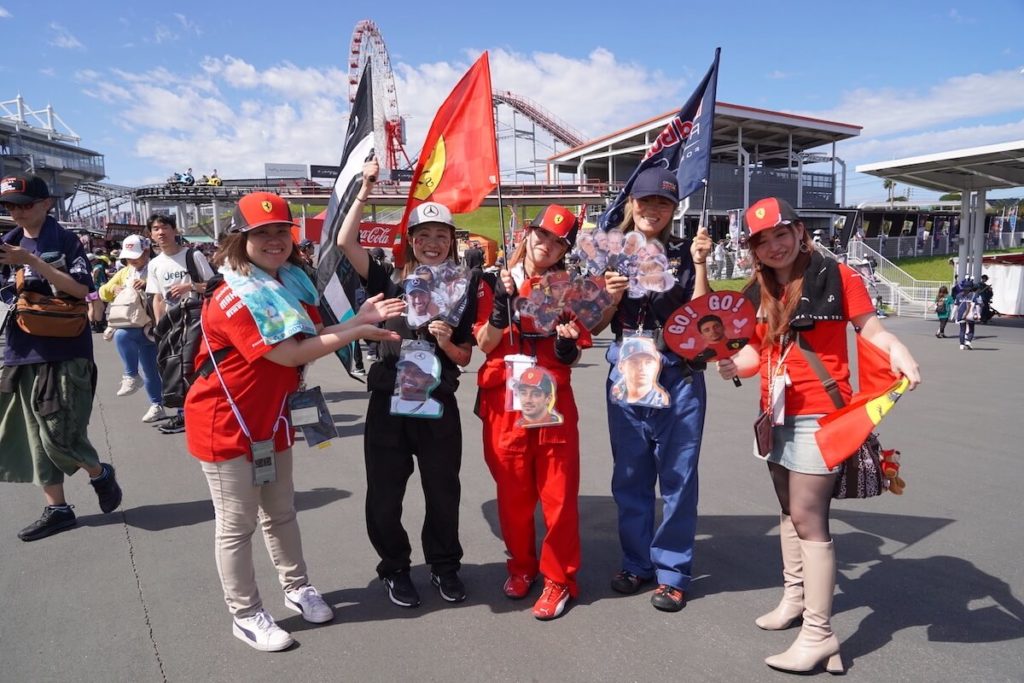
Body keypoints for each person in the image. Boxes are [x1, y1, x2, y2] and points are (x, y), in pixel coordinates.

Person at [184, 191, 403, 651]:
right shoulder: (237, 296)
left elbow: (313, 334)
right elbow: (289, 353)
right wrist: (359, 330)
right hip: (227, 423)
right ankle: (245, 614)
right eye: (261, 233)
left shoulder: (286, 283)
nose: (273, 240)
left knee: (281, 512)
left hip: (274, 418)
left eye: (280, 231)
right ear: (239, 239)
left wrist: (355, 318)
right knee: (236, 523)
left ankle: (296, 587)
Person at [716, 196, 920, 675]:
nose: (775, 245)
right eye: (762, 240)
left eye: (781, 233)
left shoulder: (838, 275)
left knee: (809, 518)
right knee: (788, 511)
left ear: (800, 231)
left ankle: (820, 634)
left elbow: (871, 329)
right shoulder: (756, 291)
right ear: (752, 248)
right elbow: (753, 355)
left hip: (819, 415)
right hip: (774, 413)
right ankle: (794, 598)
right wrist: (730, 367)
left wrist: (898, 349)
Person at [336, 157, 477, 608]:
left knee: (442, 489)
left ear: (452, 243)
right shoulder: (388, 280)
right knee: (385, 492)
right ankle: (394, 568)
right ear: (411, 242)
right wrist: (365, 189)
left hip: (438, 399)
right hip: (388, 398)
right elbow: (344, 240)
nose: (433, 243)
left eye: (442, 235)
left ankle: (444, 565)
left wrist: (446, 340)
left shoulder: (464, 286)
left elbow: (465, 354)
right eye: (424, 236)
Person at [592, 166, 713, 612]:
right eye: (646, 201)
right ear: (632, 205)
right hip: (626, 372)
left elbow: (704, 318)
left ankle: (673, 572)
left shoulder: (687, 252)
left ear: (673, 209)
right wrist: (611, 297)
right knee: (630, 476)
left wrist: (700, 265)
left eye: (663, 203)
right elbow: (595, 323)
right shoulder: (611, 253)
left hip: (677, 374)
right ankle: (635, 562)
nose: (653, 210)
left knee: (679, 479)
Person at [474, 204, 590, 620]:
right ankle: (521, 567)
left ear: (565, 248)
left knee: (558, 497)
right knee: (513, 496)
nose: (547, 245)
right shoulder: (491, 281)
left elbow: (576, 350)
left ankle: (559, 579)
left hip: (552, 400)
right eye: (542, 234)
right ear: (527, 233)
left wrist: (565, 346)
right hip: (504, 403)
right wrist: (501, 309)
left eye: (559, 241)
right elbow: (484, 345)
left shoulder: (569, 288)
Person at [0, 173, 123, 541]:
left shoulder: (66, 240)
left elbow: (82, 289)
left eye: (23, 204)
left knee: (59, 431)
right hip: (19, 349)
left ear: (46, 203)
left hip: (65, 348)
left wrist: (30, 262)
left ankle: (99, 473)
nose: (16, 212)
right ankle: (58, 508)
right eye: (9, 206)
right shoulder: (6, 243)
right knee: (33, 434)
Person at [146, 213, 215, 434]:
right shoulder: (154, 264)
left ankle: (197, 414)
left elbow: (213, 286)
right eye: (156, 229)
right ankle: (184, 414)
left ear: (175, 230)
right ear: (150, 235)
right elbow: (156, 297)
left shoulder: (193, 256)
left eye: (165, 227)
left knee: (195, 367)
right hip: (171, 324)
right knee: (174, 368)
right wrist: (160, 328)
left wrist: (190, 287)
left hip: (196, 320)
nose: (161, 232)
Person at [98, 234, 166, 423]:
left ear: (146, 251)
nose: (132, 260)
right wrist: (114, 290)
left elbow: (168, 289)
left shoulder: (156, 266)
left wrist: (148, 285)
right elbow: (102, 292)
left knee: (148, 364)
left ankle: (133, 377)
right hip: (135, 323)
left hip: (153, 324)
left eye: (135, 255)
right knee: (147, 364)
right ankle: (155, 403)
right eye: (128, 256)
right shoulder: (125, 272)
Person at [609, 336, 669, 407]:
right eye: (634, 362)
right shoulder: (617, 393)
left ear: (657, 365)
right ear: (621, 366)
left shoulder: (661, 398)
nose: (641, 368)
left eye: (648, 362)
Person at [954, 279, 981, 350]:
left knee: (962, 330)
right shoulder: (974, 295)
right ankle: (968, 341)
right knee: (971, 329)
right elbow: (977, 306)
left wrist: (953, 315)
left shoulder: (959, 295)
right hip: (970, 314)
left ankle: (961, 345)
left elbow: (955, 306)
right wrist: (978, 314)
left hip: (961, 314)